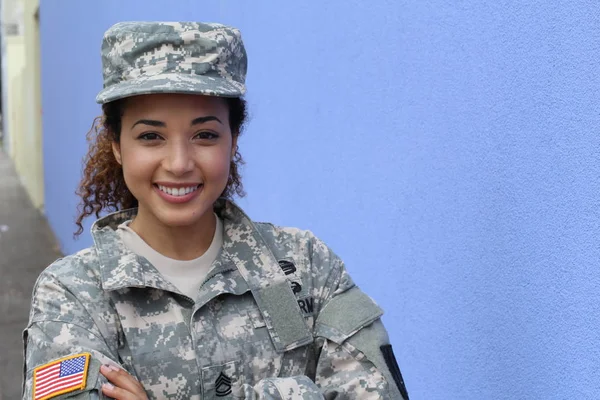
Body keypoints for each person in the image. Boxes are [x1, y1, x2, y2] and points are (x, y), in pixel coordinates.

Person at [22, 21, 409, 400]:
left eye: (204, 135)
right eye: (150, 136)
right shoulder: (73, 294)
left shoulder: (307, 265)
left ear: (233, 140)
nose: (178, 163)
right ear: (117, 146)